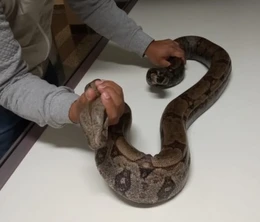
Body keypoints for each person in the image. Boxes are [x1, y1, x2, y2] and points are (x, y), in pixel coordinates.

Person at [0, 0, 185, 159]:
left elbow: (91, 4)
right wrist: (74, 108)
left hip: (41, 74)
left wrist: (145, 44)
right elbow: (9, 81)